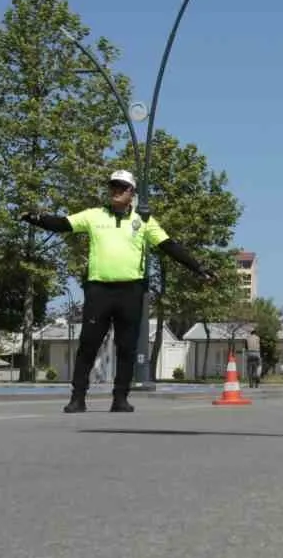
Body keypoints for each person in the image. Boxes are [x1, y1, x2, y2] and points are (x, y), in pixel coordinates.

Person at [20, 168, 213, 414]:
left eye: (122, 188)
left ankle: (120, 398)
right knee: (88, 344)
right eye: (113, 187)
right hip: (99, 289)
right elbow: (62, 224)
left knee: (127, 346)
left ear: (132, 193)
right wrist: (34, 218)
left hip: (131, 290)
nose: (116, 191)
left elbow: (169, 246)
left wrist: (199, 269)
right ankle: (77, 398)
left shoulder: (144, 221)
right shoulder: (93, 215)